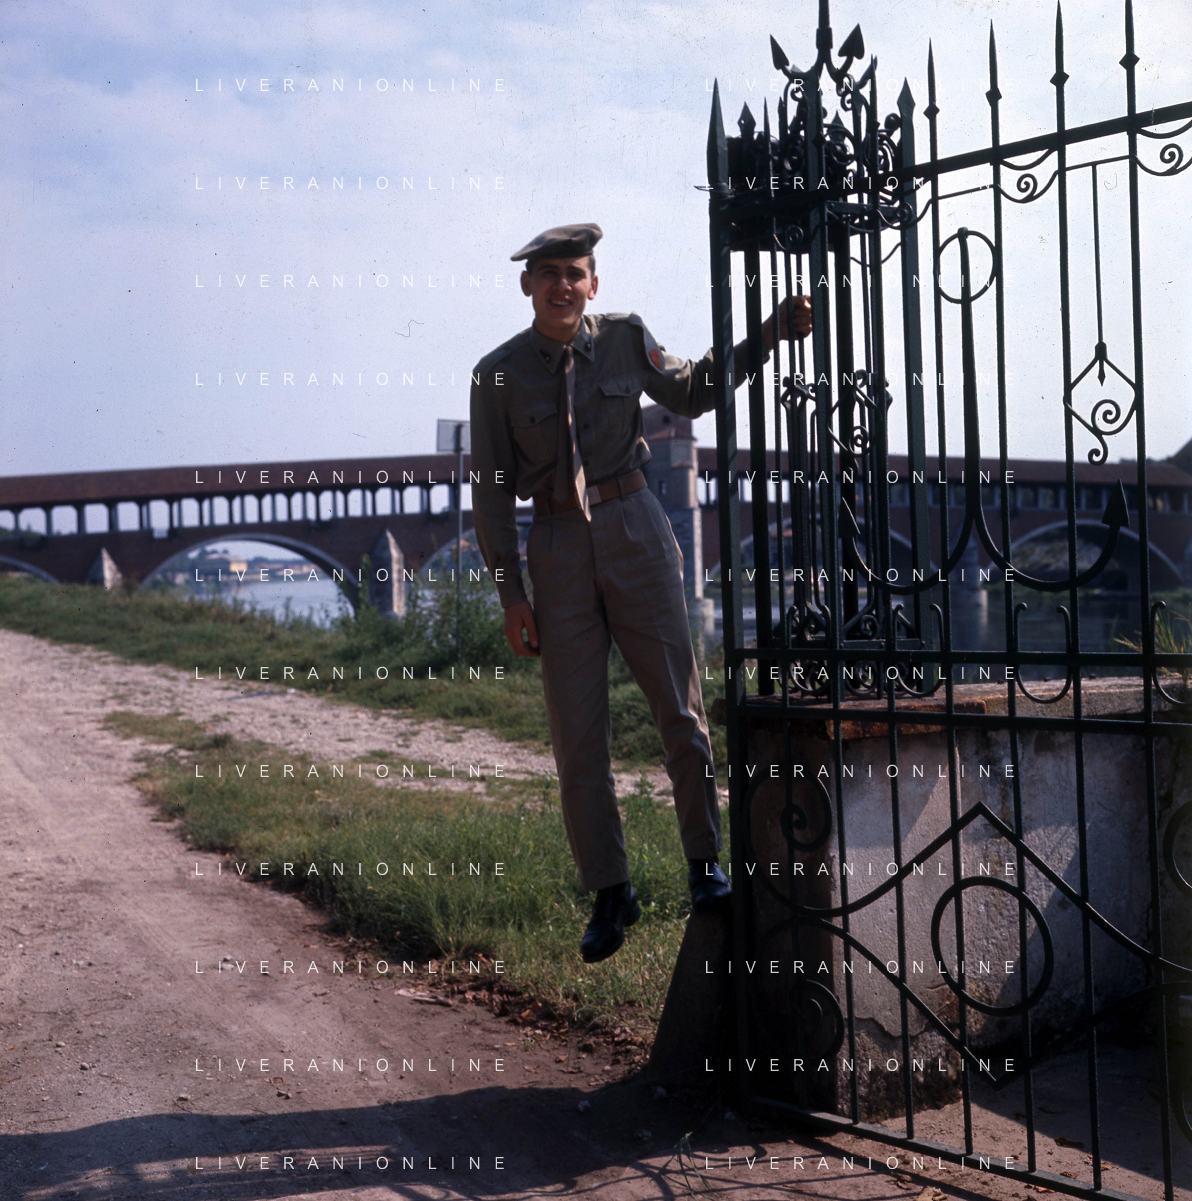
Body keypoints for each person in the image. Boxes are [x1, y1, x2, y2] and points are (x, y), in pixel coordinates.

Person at [469, 222, 811, 963]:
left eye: (575, 273)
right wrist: (511, 594)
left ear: (593, 283)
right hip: (556, 546)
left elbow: (693, 391)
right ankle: (610, 890)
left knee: (680, 710)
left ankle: (705, 864)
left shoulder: (626, 338)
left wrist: (766, 335)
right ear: (527, 285)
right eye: (549, 273)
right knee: (577, 736)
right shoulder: (495, 374)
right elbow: (491, 491)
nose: (563, 285)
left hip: (636, 526)